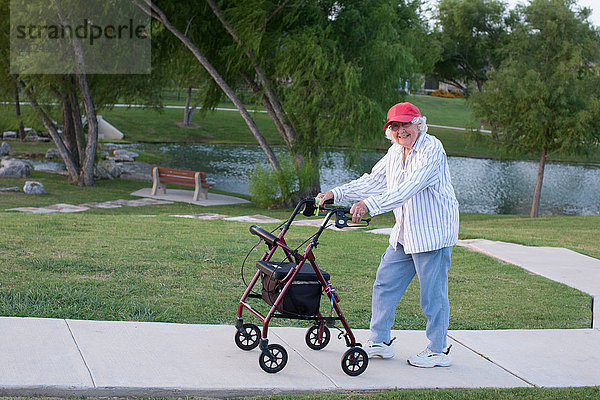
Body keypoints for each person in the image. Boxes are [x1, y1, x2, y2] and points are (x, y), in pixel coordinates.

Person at [317, 102, 459, 368]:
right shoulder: (396, 151)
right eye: (395, 126)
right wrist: (337, 193)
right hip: (405, 234)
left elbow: (409, 188)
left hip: (432, 234)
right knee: (384, 284)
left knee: (433, 296)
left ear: (418, 124)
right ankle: (380, 341)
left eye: (405, 124)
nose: (400, 131)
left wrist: (369, 205)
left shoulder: (432, 149)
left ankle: (439, 350)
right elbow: (372, 181)